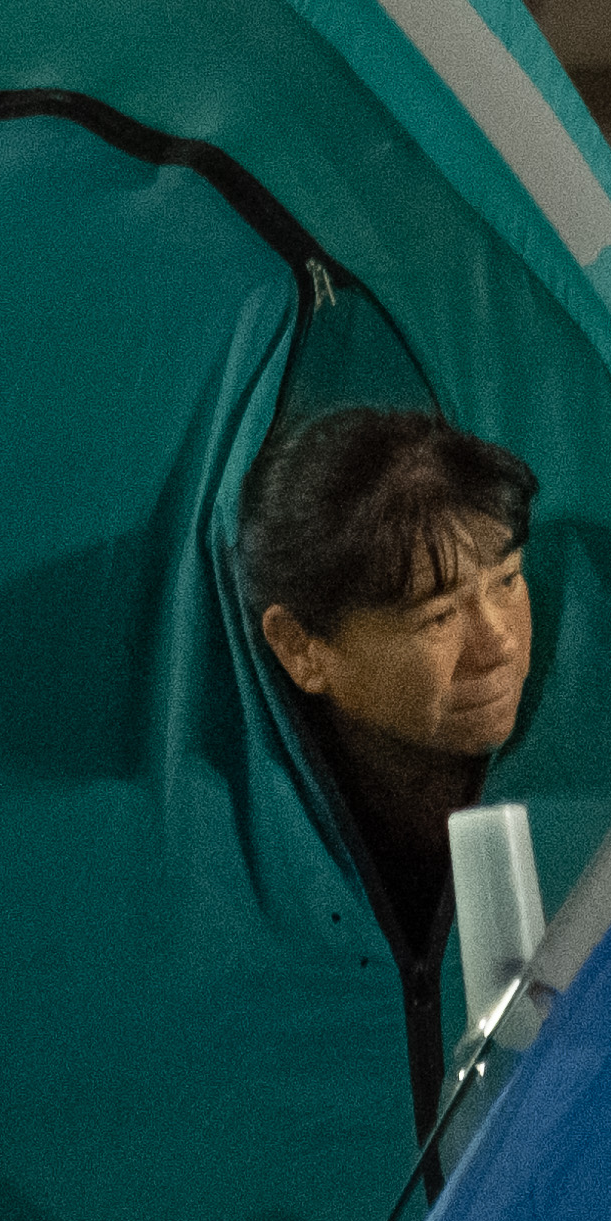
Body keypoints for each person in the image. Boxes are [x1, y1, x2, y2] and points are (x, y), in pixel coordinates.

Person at [240, 406, 541, 1117]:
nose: (497, 642)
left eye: (509, 580)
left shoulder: (600, 781)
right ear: (301, 648)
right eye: (438, 618)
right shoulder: (250, 863)